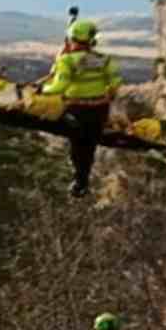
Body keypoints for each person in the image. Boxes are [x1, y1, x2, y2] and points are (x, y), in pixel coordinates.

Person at [40, 19, 122, 197]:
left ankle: (80, 183)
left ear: (72, 39)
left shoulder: (67, 60)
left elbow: (59, 87)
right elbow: (115, 82)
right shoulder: (104, 60)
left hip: (76, 109)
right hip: (100, 109)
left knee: (77, 146)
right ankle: (82, 182)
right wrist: (108, 95)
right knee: (89, 146)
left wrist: (41, 89)